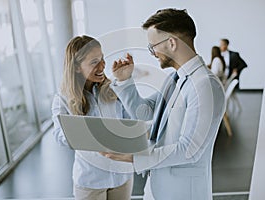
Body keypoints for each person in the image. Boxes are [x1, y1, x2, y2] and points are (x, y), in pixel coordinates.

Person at [102, 8, 226, 200]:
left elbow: (190, 150)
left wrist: (136, 158)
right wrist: (125, 82)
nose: (152, 53)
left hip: (183, 193)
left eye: (153, 46)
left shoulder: (205, 85)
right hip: (156, 187)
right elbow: (146, 113)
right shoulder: (173, 78)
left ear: (171, 43)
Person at [51, 35, 133, 200]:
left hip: (122, 175)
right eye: (94, 62)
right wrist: (87, 134)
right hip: (90, 180)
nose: (103, 66)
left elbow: (130, 121)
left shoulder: (114, 90)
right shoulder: (63, 98)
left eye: (102, 59)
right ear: (76, 67)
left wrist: (127, 82)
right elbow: (59, 136)